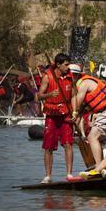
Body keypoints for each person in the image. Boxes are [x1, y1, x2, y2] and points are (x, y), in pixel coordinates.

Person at [69, 64, 106, 170]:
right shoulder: (80, 84)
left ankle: (99, 166)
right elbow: (81, 109)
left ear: (74, 75)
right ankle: (103, 165)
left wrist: (71, 112)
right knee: (96, 139)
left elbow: (76, 104)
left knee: (92, 137)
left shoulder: (84, 83)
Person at [36, 53, 75, 183]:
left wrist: (75, 112)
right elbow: (39, 96)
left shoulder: (71, 77)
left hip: (66, 114)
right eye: (66, 64)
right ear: (58, 65)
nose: (68, 67)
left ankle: (69, 174)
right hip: (52, 115)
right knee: (48, 146)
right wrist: (50, 94)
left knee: (68, 144)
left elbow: (73, 96)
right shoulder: (47, 77)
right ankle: (48, 176)